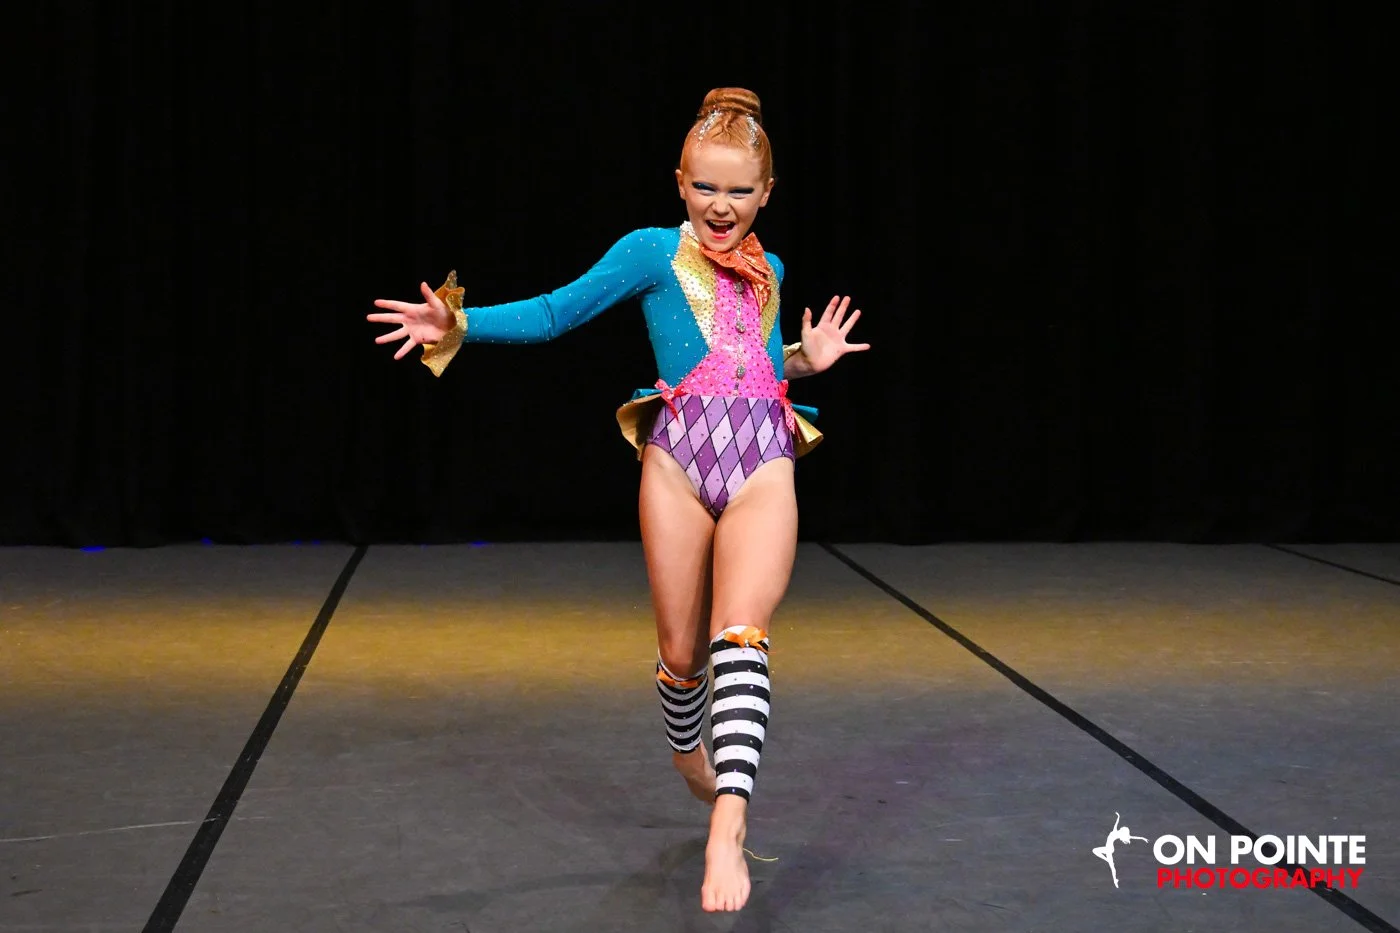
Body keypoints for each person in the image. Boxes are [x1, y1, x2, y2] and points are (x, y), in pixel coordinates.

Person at [367, 86, 869, 913]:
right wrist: (459, 325)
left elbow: (757, 363)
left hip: (762, 460)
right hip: (677, 462)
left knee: (741, 633)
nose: (722, 206)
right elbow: (555, 313)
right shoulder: (648, 253)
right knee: (682, 659)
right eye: (706, 187)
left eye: (740, 192)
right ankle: (688, 759)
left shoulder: (771, 268)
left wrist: (805, 361)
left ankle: (726, 826)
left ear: (767, 194)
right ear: (680, 182)